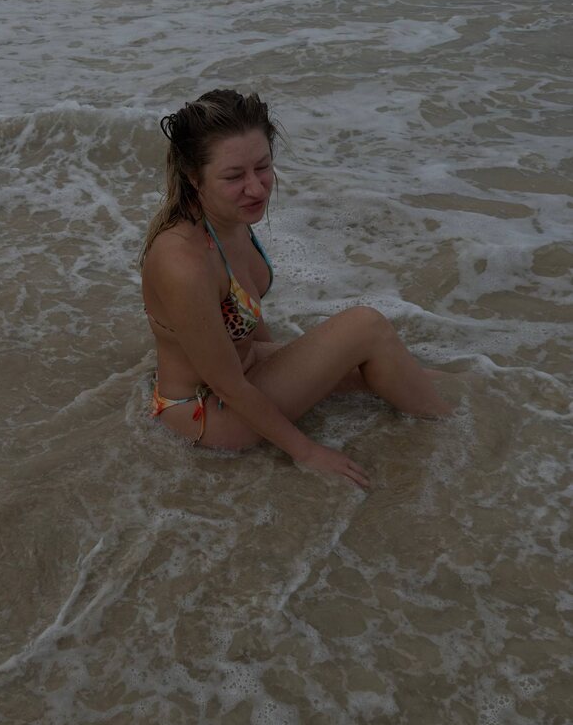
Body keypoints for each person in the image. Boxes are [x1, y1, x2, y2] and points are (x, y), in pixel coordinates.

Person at [141, 88, 451, 489]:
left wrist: (291, 371)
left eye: (263, 167)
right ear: (193, 176)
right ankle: (453, 434)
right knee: (366, 327)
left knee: (395, 370)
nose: (257, 188)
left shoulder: (228, 219)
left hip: (244, 375)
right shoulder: (182, 261)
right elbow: (227, 384)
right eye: (234, 176)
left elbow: (246, 323)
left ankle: (469, 408)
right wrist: (307, 451)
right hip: (207, 415)